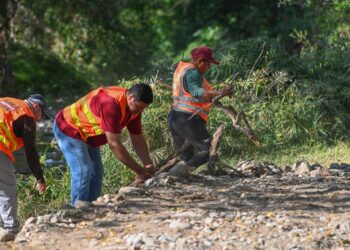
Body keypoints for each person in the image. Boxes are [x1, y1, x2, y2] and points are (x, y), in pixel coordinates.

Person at [53, 83, 154, 208]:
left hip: (88, 135)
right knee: (83, 170)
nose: (140, 111)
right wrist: (139, 171)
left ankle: (91, 206)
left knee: (97, 172)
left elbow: (137, 137)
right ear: (131, 97)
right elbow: (114, 144)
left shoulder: (133, 108)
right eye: (139, 107)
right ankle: (77, 208)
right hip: (68, 128)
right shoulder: (110, 104)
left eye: (144, 108)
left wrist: (148, 164)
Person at [168, 46, 232, 175]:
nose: (208, 68)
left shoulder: (183, 69)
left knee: (186, 155)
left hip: (175, 118)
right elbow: (197, 92)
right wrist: (220, 92)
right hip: (188, 119)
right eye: (208, 64)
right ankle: (177, 174)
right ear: (200, 61)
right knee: (208, 150)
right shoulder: (193, 72)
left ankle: (177, 177)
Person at [0, 94, 48, 242]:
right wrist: (39, 178)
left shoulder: (8, 101)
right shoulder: (26, 115)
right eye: (41, 115)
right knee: (7, 187)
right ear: (36, 107)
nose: (39, 119)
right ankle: (11, 230)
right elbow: (31, 151)